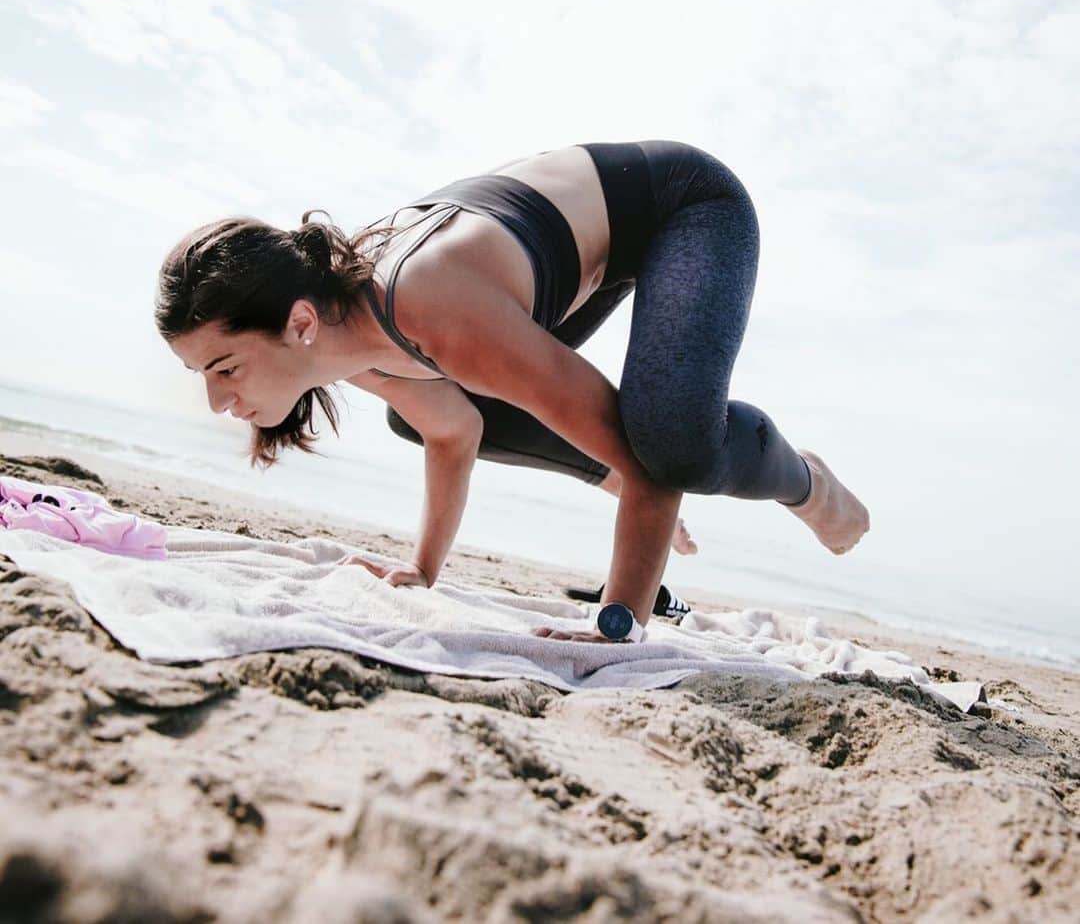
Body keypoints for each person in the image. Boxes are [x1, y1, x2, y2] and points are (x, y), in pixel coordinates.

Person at [155, 139, 869, 645]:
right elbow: (450, 431)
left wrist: (617, 619)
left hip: (684, 208)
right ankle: (604, 453)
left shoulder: (430, 309)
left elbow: (649, 471)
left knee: (670, 449)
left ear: (299, 322)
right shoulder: (343, 344)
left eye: (226, 368)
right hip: (567, 259)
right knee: (426, 417)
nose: (220, 403)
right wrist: (421, 571)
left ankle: (806, 483)